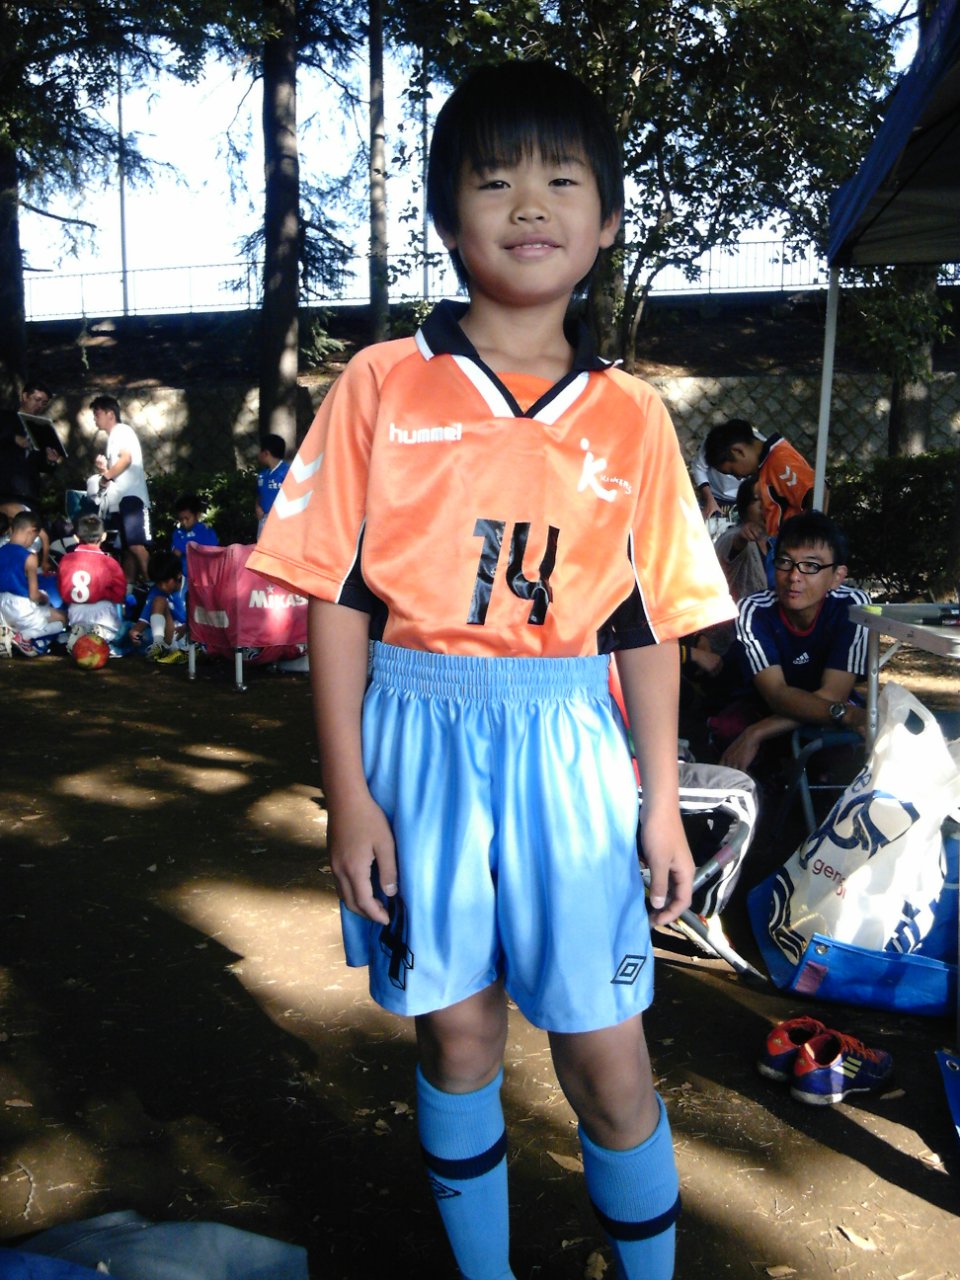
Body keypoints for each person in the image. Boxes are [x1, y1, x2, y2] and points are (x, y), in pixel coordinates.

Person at [250, 62, 734, 1280]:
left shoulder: (632, 416)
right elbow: (338, 598)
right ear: (448, 215)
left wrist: (659, 801)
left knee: (608, 1055)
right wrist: (350, 797)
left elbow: (646, 624)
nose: (529, 203)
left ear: (606, 221)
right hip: (417, 735)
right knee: (458, 1036)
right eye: (494, 179)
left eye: (562, 180)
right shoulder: (381, 383)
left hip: (570, 742)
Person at [713, 512, 869, 773]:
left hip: (828, 707)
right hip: (763, 705)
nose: (794, 576)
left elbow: (834, 693)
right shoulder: (755, 610)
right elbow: (776, 694)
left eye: (811, 566)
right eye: (785, 562)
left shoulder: (853, 607)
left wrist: (758, 732)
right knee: (731, 734)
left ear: (837, 576)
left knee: (843, 761)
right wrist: (847, 714)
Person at [703, 417, 821, 538]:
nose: (738, 478)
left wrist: (811, 537)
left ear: (738, 451)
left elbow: (817, 492)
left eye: (733, 471)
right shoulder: (767, 467)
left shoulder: (778, 460)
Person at [0, 381, 63, 573]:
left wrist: (50, 460)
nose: (39, 405)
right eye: (36, 399)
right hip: (6, 488)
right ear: (24, 396)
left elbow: (43, 466)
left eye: (43, 403)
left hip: (29, 491)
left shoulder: (40, 428)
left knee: (30, 538)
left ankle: (27, 576)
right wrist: (13, 439)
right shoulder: (6, 418)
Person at [90, 394, 152, 588]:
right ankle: (128, 588)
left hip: (133, 498)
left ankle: (155, 586)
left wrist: (106, 476)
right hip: (121, 500)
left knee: (136, 545)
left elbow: (126, 458)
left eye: (97, 413)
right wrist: (105, 471)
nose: (94, 418)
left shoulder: (121, 431)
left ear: (110, 413)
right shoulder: (113, 437)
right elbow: (117, 472)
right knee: (127, 548)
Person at [56, 514, 128, 650]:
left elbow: (63, 592)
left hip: (76, 612)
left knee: (77, 628)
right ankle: (102, 634)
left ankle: (80, 632)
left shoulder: (66, 559)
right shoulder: (110, 563)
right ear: (104, 536)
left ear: (76, 537)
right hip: (103, 614)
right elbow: (120, 594)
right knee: (122, 633)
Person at [0, 510, 66, 655]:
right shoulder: (30, 557)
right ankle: (27, 639)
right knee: (62, 618)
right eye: (35, 538)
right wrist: (44, 598)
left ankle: (9, 635)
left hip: (2, 609)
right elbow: (34, 595)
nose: (32, 542)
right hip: (21, 608)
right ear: (31, 532)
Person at [129, 550, 188, 664]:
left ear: (178, 575)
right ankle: (159, 646)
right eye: (158, 583)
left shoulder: (192, 588)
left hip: (190, 637)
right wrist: (135, 631)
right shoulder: (155, 591)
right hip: (170, 636)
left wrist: (187, 627)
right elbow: (143, 620)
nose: (162, 587)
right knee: (159, 601)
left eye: (166, 581)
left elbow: (201, 620)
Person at [171, 494, 219, 578]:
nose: (184, 522)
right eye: (181, 519)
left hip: (206, 576)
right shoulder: (177, 533)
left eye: (187, 518)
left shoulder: (206, 531)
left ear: (197, 515)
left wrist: (184, 547)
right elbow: (175, 554)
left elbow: (212, 551)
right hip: (184, 578)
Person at [255, 435, 288, 537]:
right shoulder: (262, 475)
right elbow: (260, 495)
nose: (257, 454)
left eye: (259, 451)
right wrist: (257, 506)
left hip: (283, 521)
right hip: (264, 520)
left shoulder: (287, 472)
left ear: (266, 453)